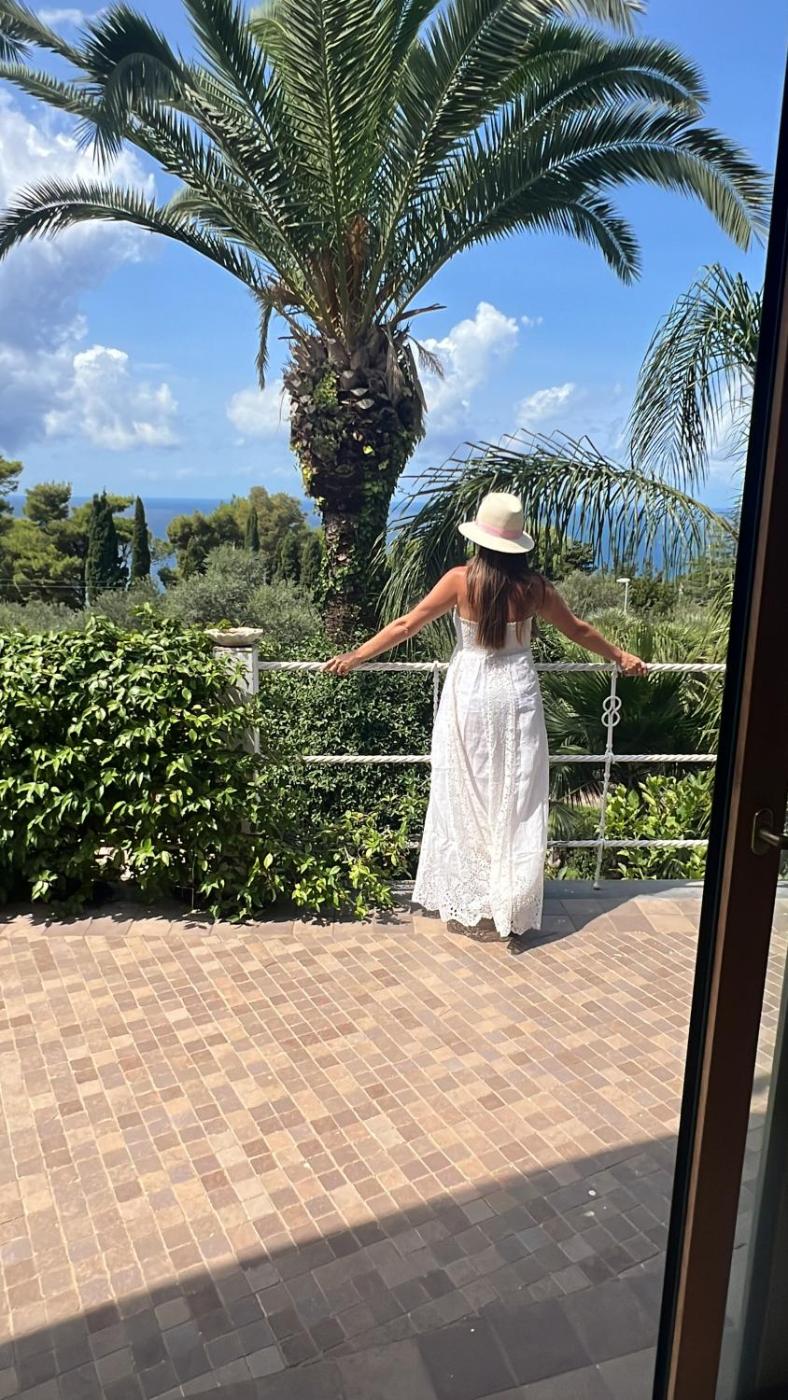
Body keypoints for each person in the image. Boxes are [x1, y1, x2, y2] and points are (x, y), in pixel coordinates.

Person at [325, 492, 647, 953]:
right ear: (518, 544)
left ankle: (475, 893)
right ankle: (510, 898)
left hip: (471, 693)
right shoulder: (535, 588)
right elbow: (578, 629)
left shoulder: (460, 581)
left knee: (468, 790)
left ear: (479, 539)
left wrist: (357, 655)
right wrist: (620, 656)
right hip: (517, 694)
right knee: (516, 795)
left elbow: (406, 625)